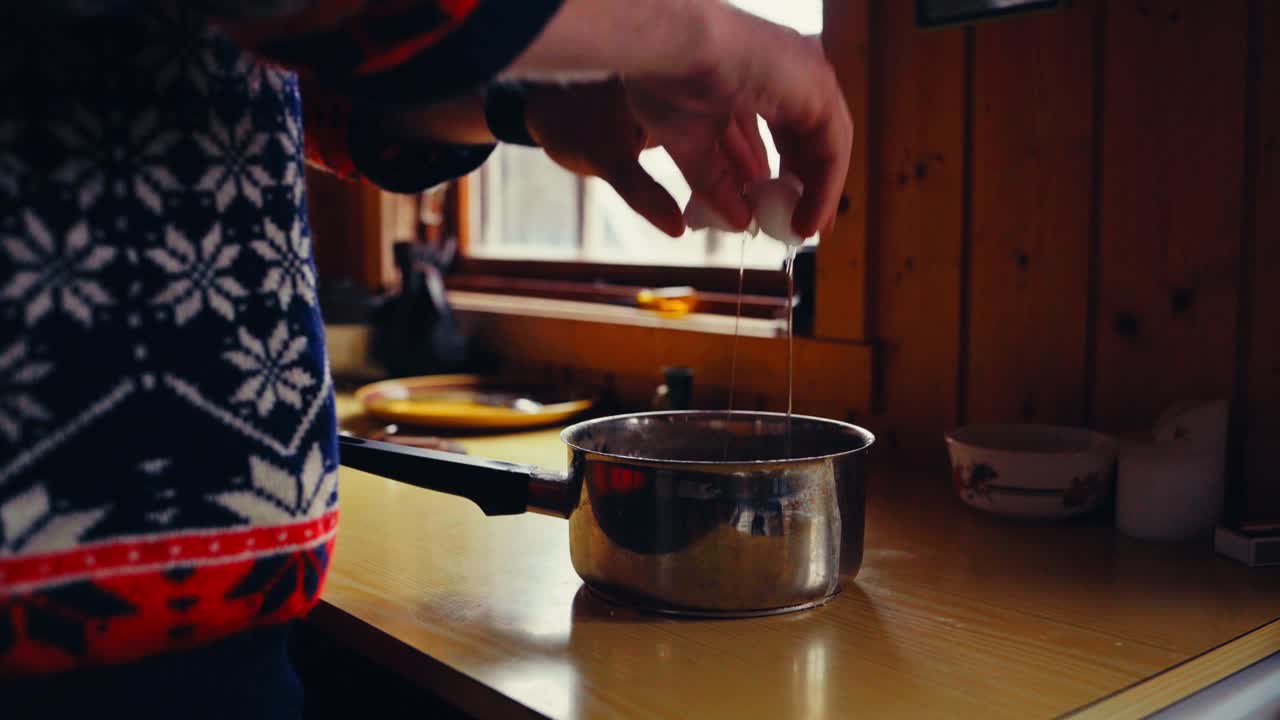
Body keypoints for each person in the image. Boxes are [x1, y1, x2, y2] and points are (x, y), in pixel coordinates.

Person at [0, 0, 851, 716]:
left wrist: (529, 103)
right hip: (53, 606)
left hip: (211, 610)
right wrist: (692, 32)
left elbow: (304, 82)